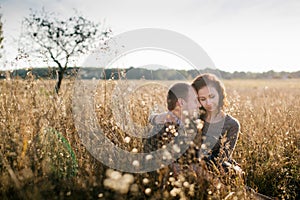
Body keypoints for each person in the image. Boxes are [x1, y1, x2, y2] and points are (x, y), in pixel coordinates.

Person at [149, 73, 241, 173]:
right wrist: (157, 118)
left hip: (214, 169)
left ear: (220, 94)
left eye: (212, 96)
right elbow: (164, 117)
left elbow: (222, 159)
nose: (208, 103)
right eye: (202, 99)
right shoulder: (194, 117)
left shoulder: (232, 124)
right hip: (189, 166)